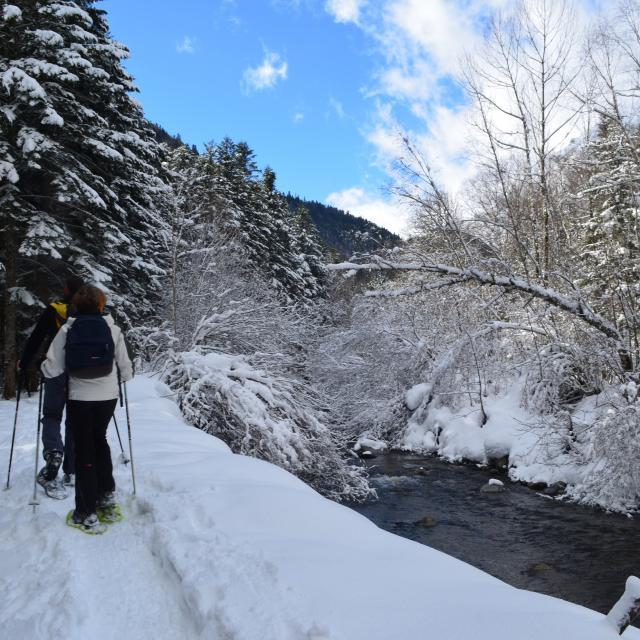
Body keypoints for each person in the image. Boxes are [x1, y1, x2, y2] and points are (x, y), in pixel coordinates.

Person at [41, 284, 133, 534]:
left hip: (80, 397)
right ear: (101, 304)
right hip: (107, 398)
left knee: (84, 450)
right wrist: (120, 379)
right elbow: (125, 368)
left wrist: (43, 373)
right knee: (100, 440)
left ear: (76, 305)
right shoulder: (112, 329)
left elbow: (52, 367)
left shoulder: (68, 329)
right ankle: (106, 497)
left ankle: (85, 512)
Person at [18, 274, 84, 490]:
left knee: (52, 415)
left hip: (55, 371)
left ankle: (54, 452)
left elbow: (36, 338)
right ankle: (72, 470)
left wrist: (24, 363)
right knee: (75, 419)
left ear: (66, 289)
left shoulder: (54, 309)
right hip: (81, 374)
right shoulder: (90, 311)